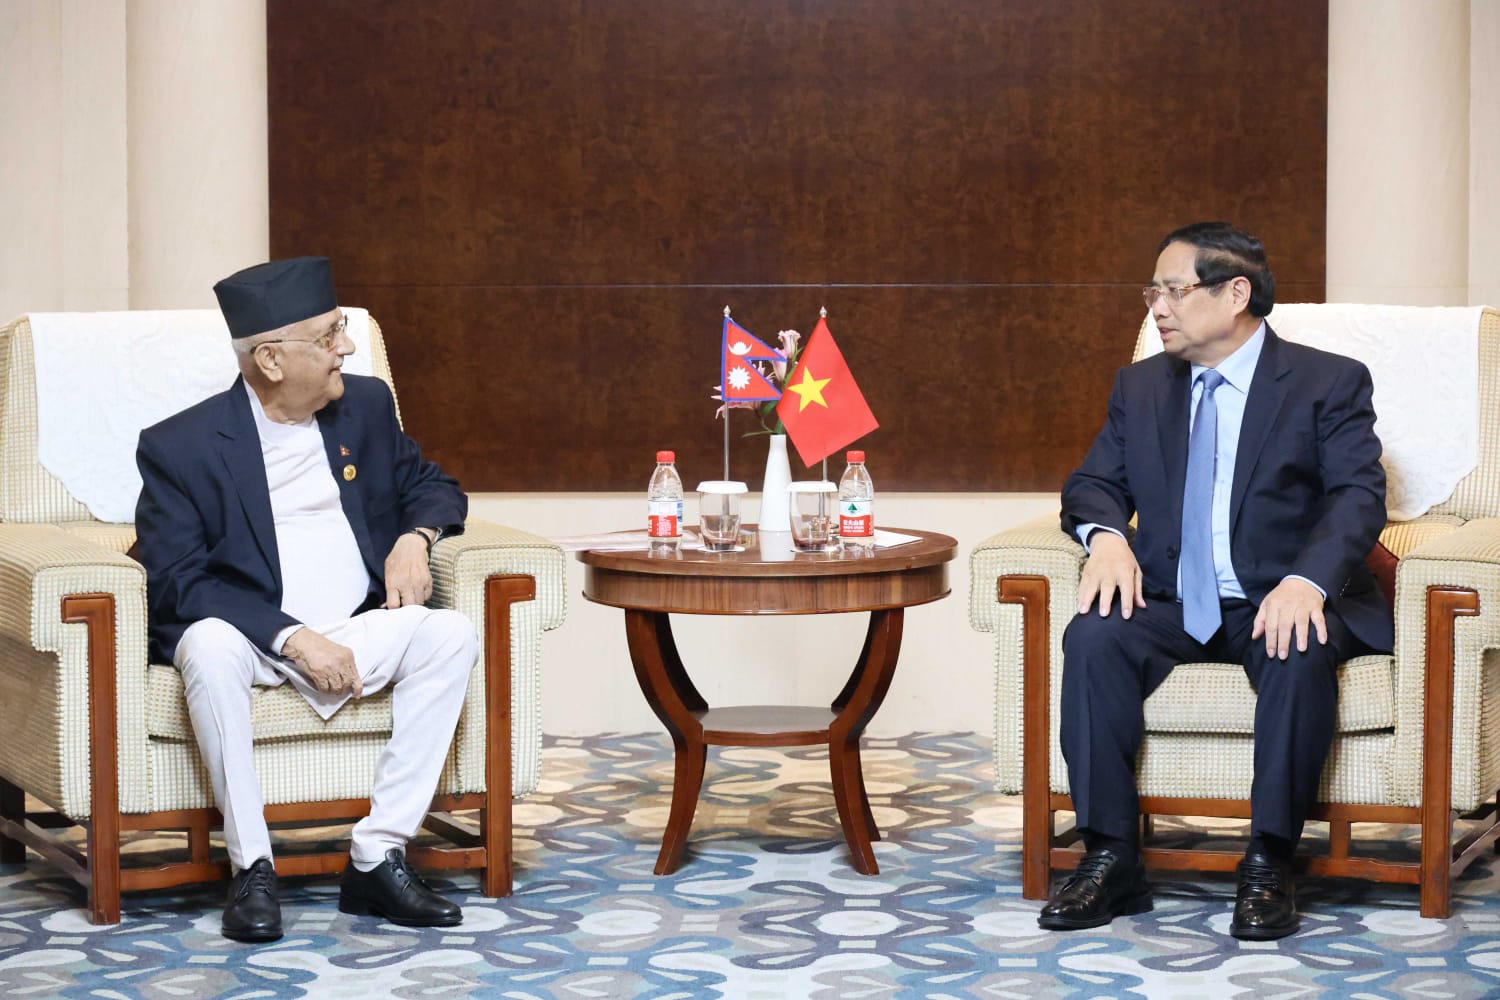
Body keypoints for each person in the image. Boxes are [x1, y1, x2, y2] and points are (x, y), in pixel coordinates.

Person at [1041, 222, 1392, 940]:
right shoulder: (1141, 387)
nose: (1157, 308)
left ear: (1236, 293)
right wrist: (1107, 539)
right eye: (1152, 293)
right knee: (1094, 636)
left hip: (1277, 595)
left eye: (1172, 291)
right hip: (1173, 600)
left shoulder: (1327, 382)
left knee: (1298, 644)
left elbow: (1358, 496)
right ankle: (1110, 856)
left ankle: (1269, 859)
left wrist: (1309, 581)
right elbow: (1092, 483)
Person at [135, 256, 478, 942]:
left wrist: (416, 537)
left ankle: (377, 857)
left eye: (340, 327)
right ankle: (252, 868)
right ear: (269, 360)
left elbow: (435, 486)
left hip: (356, 626)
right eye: (328, 336)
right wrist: (291, 636)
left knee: (451, 634)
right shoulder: (181, 447)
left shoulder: (366, 406)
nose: (345, 346)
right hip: (256, 640)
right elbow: (176, 581)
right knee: (205, 643)